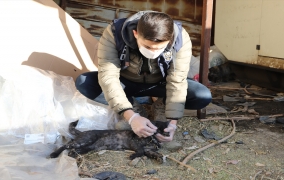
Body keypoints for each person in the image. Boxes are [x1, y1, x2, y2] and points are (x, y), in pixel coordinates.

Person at [75, 11, 212, 142]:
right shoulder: (114, 32)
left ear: (169, 39)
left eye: (159, 48)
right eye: (147, 46)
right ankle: (134, 108)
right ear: (135, 34)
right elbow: (108, 76)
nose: (153, 52)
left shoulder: (180, 37)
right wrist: (132, 117)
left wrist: (172, 122)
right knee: (84, 82)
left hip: (160, 84)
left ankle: (161, 106)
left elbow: (177, 80)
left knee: (201, 95)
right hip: (126, 82)